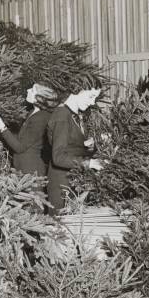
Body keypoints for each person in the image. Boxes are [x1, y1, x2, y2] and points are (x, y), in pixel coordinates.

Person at [46, 77, 104, 214]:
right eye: (91, 96)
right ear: (77, 90)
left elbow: (69, 146)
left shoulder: (72, 114)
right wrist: (89, 163)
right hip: (61, 183)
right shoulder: (62, 115)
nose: (92, 102)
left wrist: (88, 147)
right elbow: (58, 157)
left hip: (71, 178)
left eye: (95, 98)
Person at [0, 83, 57, 177]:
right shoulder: (33, 112)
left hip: (30, 170)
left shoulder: (41, 118)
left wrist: (1, 126)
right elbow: (22, 139)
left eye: (32, 90)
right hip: (22, 167)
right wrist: (0, 132)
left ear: (41, 98)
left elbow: (19, 147)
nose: (28, 90)